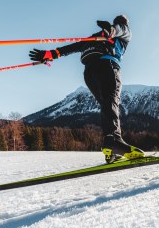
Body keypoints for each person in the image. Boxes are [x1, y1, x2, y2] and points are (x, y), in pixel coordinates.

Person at [29, 15, 144, 163]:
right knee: (111, 102)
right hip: (107, 66)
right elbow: (117, 30)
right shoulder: (121, 31)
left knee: (106, 105)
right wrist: (110, 30)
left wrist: (51, 54)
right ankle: (113, 141)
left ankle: (112, 146)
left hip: (89, 73)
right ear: (124, 23)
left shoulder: (112, 33)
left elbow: (75, 46)